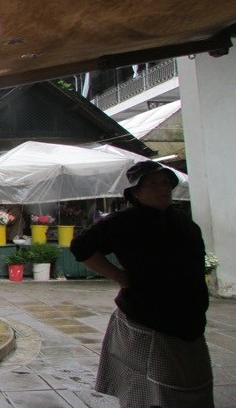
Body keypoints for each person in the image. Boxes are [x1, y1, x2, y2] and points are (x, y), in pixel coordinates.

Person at [70, 161, 213, 407]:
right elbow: (81, 247)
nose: (162, 189)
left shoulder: (183, 221)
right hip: (147, 319)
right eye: (153, 184)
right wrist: (118, 276)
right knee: (151, 391)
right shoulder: (124, 222)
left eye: (166, 183)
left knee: (195, 389)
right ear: (136, 192)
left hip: (190, 319)